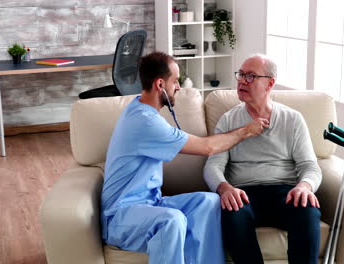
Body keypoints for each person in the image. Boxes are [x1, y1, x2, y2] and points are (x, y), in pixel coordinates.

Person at [100, 51, 269, 264]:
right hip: (121, 217)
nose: (179, 87)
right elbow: (208, 147)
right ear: (160, 85)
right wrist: (246, 131)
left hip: (151, 204)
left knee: (209, 202)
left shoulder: (144, 111)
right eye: (175, 81)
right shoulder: (144, 122)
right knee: (171, 220)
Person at [204, 54, 322, 264]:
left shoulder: (292, 119)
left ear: (270, 83)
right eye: (240, 74)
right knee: (232, 212)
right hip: (244, 194)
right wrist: (225, 188)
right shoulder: (229, 119)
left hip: (285, 192)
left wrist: (305, 186)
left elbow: (310, 166)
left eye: (250, 76)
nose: (241, 81)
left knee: (307, 210)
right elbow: (213, 165)